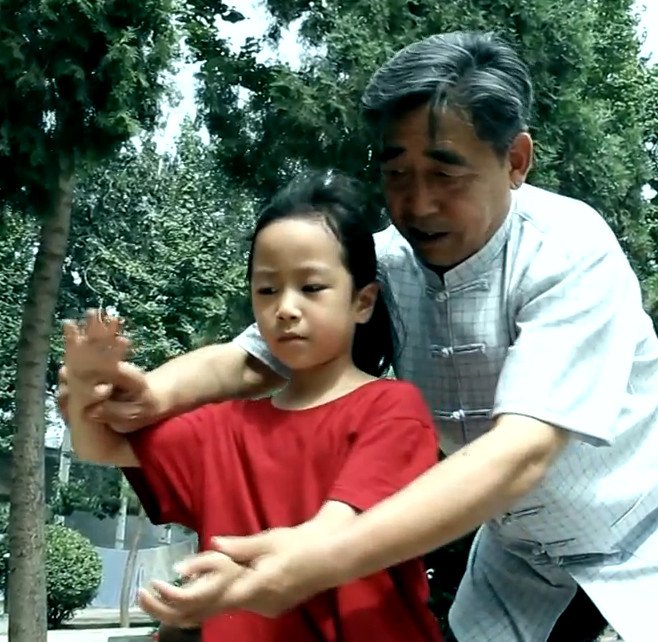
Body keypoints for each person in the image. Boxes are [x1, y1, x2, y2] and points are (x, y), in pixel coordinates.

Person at [58, 31, 658, 642]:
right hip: (516, 562)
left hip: (638, 544)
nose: (418, 202)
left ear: (515, 162)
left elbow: (521, 451)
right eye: (398, 173)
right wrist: (152, 394)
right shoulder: (388, 263)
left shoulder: (568, 251)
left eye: (446, 174)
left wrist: (315, 562)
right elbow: (253, 358)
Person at [63, 172, 444, 642]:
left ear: (362, 301)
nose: (285, 307)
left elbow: (333, 534)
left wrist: (235, 585)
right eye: (267, 289)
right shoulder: (221, 427)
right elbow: (102, 446)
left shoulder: (394, 410)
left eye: (311, 287)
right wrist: (85, 391)